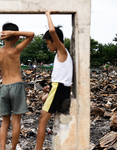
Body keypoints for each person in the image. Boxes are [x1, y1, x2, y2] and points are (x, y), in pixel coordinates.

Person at [0, 22, 34, 150]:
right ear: (16, 37)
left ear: (3, 36)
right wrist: (15, 33)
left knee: (5, 122)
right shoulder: (16, 50)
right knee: (16, 122)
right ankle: (13, 148)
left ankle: (2, 148)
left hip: (4, 88)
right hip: (16, 86)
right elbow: (31, 35)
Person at [36, 11, 73, 150]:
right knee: (42, 99)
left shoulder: (62, 50)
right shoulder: (61, 54)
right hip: (60, 88)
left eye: (47, 42)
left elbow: (52, 30)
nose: (47, 46)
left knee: (42, 121)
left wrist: (48, 14)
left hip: (58, 88)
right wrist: (50, 88)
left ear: (54, 40)